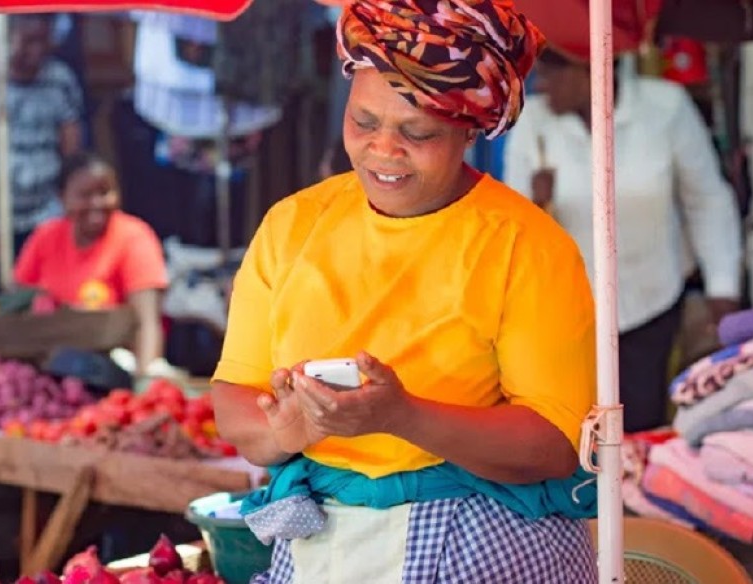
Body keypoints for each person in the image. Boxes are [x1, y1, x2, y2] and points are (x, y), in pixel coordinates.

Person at [211, 1, 599, 581]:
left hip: (484, 543)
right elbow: (233, 397)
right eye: (364, 122)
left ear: (469, 130)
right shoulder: (292, 226)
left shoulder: (527, 245)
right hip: (322, 542)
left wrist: (403, 416)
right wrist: (290, 430)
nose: (383, 151)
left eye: (418, 132)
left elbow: (551, 444)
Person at [504, 47, 743, 433]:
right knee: (574, 434)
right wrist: (537, 201)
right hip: (566, 315)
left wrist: (723, 285)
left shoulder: (664, 108)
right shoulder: (532, 122)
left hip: (652, 302)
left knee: (642, 428)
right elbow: (515, 231)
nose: (542, 85)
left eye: (551, 73)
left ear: (588, 67)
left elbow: (706, 199)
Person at [14, 152, 168, 377]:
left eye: (105, 192)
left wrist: (145, 381)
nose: (96, 203)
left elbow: (147, 322)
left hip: (117, 370)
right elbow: (17, 305)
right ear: (62, 198)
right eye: (84, 195)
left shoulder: (134, 237)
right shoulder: (45, 237)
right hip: (54, 367)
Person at [0, 13, 84, 291]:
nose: (31, 50)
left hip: (44, 217)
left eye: (40, 41)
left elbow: (71, 155)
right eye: (24, 40)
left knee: (40, 301)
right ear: (6, 36)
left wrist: (63, 220)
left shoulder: (60, 80)